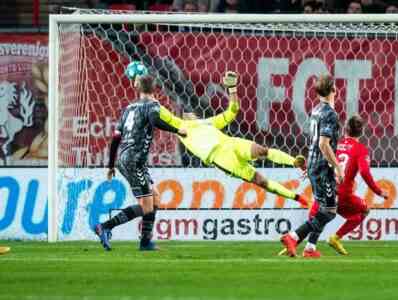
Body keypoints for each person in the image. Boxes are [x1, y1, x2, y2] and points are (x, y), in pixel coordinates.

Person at [172, 71, 309, 206]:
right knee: (260, 181)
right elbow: (165, 117)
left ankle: (296, 162)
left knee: (262, 151)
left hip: (231, 144)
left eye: (188, 111)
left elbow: (232, 111)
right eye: (183, 112)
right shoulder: (181, 130)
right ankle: (297, 198)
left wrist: (232, 89)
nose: (187, 113)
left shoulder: (208, 122)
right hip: (222, 159)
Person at [94, 72, 186, 251]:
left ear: (138, 89)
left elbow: (115, 138)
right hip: (134, 160)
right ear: (155, 90)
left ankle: (145, 242)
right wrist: (177, 130)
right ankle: (104, 227)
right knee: (146, 206)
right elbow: (155, 120)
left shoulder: (129, 108)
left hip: (126, 158)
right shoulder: (153, 105)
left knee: (155, 199)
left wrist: (111, 165)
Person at [278, 115, 388, 256]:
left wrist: (309, 170)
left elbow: (320, 160)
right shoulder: (360, 149)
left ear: (345, 130)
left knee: (320, 214)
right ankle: (328, 238)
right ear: (361, 132)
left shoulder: (334, 145)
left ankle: (308, 247)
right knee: (362, 210)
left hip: (325, 187)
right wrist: (379, 192)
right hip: (342, 194)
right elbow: (365, 173)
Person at [280, 75, 341, 258]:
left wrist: (311, 164)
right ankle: (293, 236)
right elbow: (323, 144)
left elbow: (314, 142)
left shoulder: (315, 110)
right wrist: (337, 167)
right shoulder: (330, 113)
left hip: (314, 164)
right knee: (329, 211)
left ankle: (309, 248)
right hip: (323, 167)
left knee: (323, 208)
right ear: (334, 90)